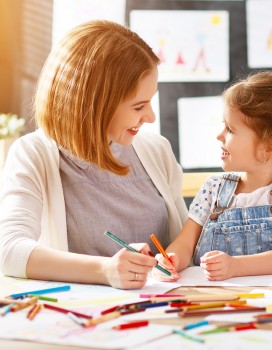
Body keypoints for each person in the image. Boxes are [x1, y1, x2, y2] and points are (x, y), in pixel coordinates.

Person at [0, 20, 188, 289]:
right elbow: (9, 251)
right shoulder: (34, 153)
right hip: (83, 319)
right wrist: (105, 270)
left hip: (159, 310)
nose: (150, 116)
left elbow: (184, 242)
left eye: (150, 101)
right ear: (96, 105)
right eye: (138, 106)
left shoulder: (156, 151)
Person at [154, 71, 272, 282]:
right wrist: (173, 258)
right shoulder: (213, 188)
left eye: (230, 129)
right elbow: (185, 243)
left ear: (270, 147)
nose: (219, 135)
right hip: (213, 298)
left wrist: (234, 266)